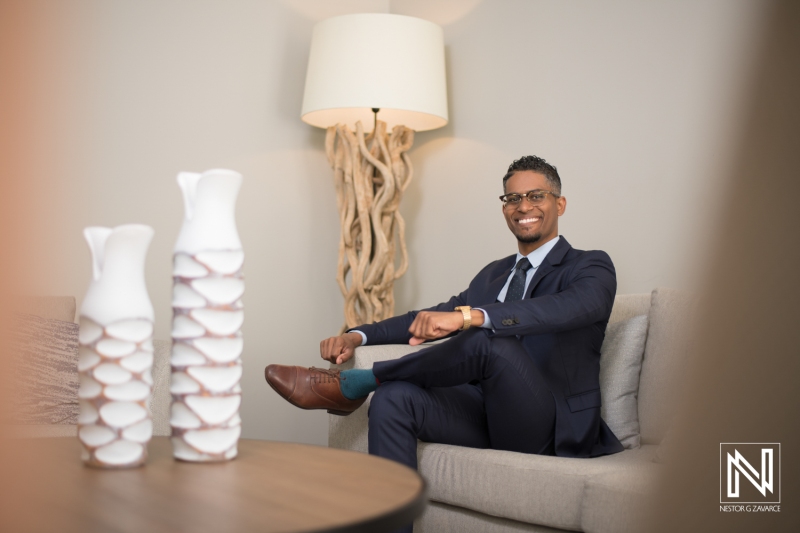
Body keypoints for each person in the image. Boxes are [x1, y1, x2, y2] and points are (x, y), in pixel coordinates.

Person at [265, 155, 623, 473]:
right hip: (485, 413)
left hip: (550, 424)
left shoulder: (590, 265)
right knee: (394, 399)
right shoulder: (493, 274)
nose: (522, 205)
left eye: (535, 196)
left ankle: (356, 383)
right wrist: (356, 335)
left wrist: (472, 317)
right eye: (512, 198)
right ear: (503, 208)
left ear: (559, 204)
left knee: (487, 338)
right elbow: (429, 316)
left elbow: (568, 308)